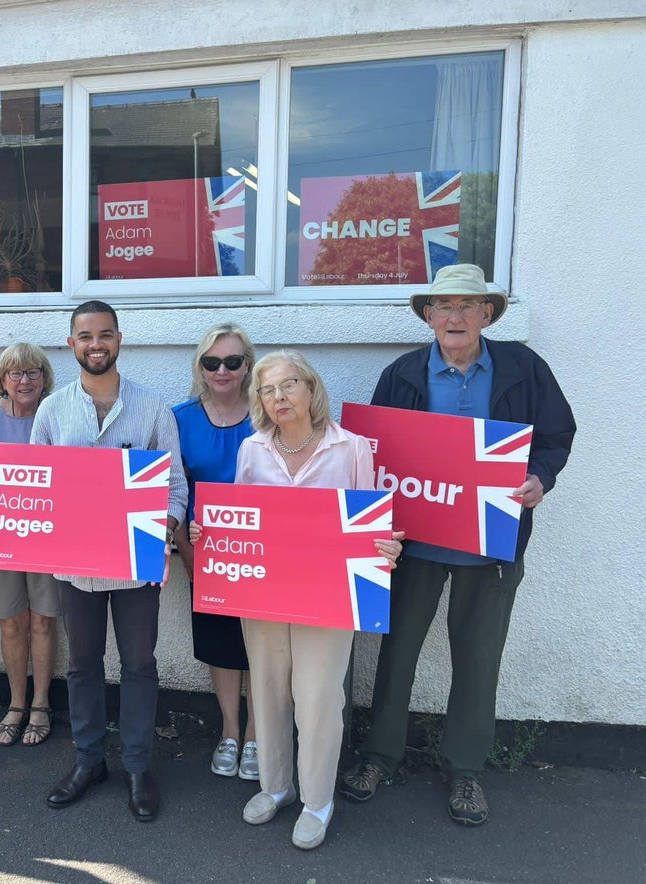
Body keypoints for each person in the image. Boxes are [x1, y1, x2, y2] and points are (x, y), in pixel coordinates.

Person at [341, 264, 575, 826]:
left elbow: (556, 434)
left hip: (492, 546)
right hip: (415, 543)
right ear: (428, 315)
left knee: (478, 657)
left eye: (467, 306)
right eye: (443, 306)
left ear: (487, 314)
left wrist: (540, 477)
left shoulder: (524, 369)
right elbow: (374, 451)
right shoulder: (401, 374)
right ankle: (379, 757)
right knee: (396, 652)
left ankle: (465, 769)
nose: (455, 316)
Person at [190, 350, 403, 849]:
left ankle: (317, 801)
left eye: (287, 385)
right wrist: (210, 533)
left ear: (310, 388)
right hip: (263, 595)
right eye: (266, 389)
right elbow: (240, 517)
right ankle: (276, 786)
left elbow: (367, 520)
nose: (277, 397)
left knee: (318, 698)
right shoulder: (252, 449)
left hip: (327, 598)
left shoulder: (350, 448)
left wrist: (385, 546)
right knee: (266, 689)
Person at [31, 300, 188, 823]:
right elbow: (36, 484)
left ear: (119, 339)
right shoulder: (52, 411)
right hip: (75, 569)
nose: (95, 344)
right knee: (82, 666)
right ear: (71, 343)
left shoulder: (153, 408)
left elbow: (174, 486)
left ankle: (139, 766)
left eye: (104, 334)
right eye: (84, 336)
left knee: (139, 666)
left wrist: (164, 527)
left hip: (135, 566)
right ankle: (89, 761)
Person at [171, 323, 259, 780]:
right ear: (200, 366)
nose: (222, 370)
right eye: (212, 362)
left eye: (232, 361)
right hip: (206, 552)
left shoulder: (268, 413)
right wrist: (183, 547)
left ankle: (257, 737)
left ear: (248, 365)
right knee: (221, 644)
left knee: (264, 647)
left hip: (264, 551)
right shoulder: (180, 418)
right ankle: (229, 729)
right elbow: (174, 489)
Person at [0, 343, 59, 747]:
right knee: (11, 622)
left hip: (48, 535)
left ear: (45, 378)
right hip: (0, 537)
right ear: (2, 380)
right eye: (15, 374)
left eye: (33, 373)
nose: (24, 381)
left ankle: (41, 704)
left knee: (43, 620)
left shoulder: (57, 412)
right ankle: (16, 703)